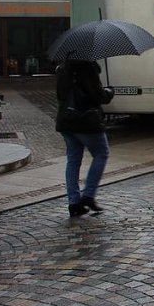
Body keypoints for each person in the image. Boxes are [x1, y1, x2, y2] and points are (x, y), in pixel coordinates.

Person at [55, 60, 115, 217]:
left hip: (67, 120)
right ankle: (88, 195)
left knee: (73, 161)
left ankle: (74, 203)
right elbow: (98, 95)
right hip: (87, 121)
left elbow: (60, 95)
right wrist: (109, 91)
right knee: (102, 153)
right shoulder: (88, 67)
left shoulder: (63, 68)